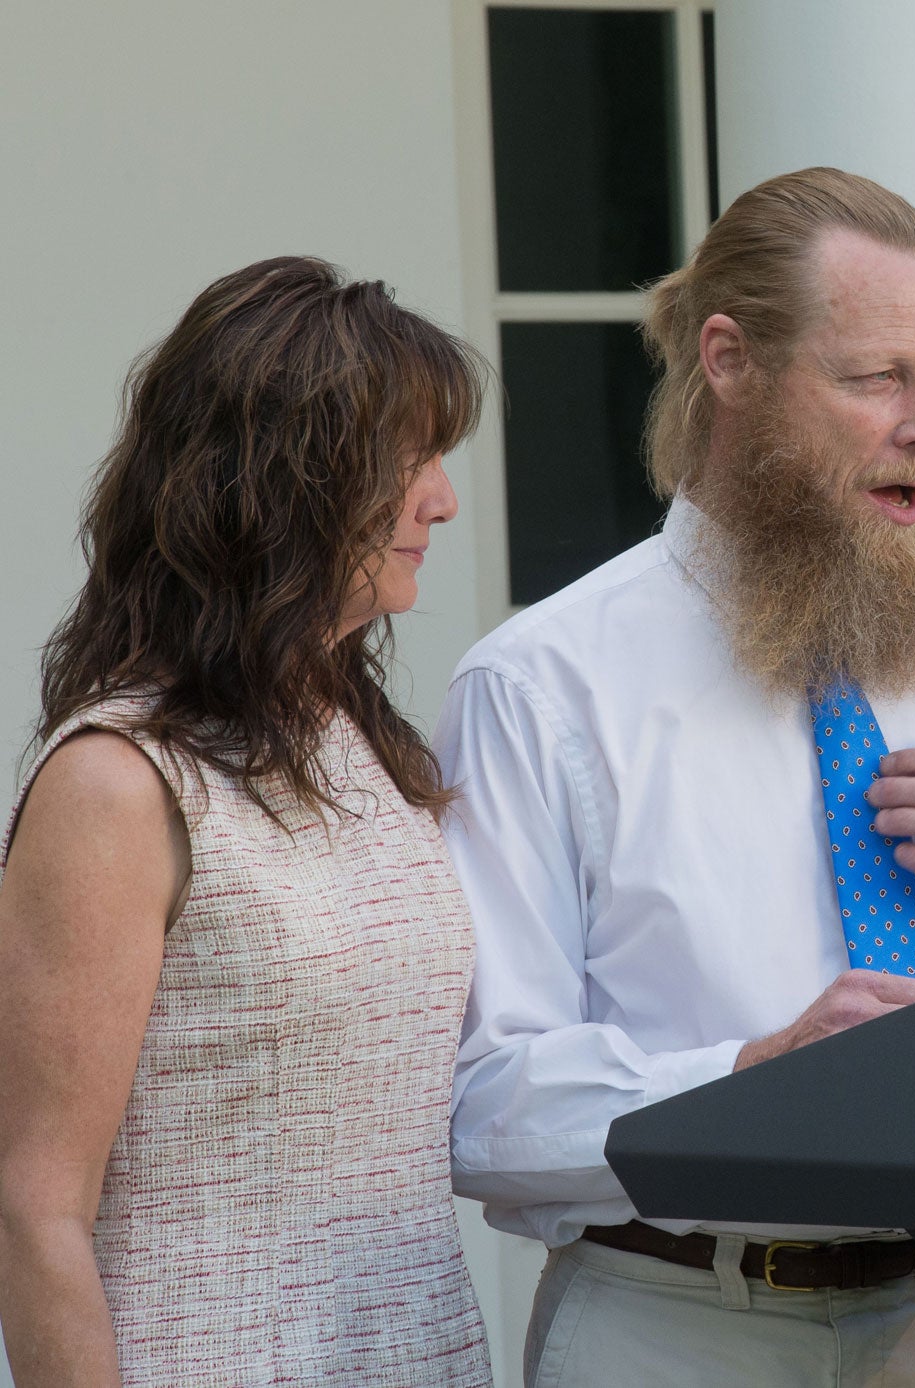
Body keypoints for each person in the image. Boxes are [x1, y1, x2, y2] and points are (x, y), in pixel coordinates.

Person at [435, 166, 915, 1388]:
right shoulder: (542, 689)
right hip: (677, 1325)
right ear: (729, 360)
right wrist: (749, 1080)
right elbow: (484, 1105)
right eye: (877, 379)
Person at [0, 257, 493, 1385]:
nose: (442, 498)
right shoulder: (120, 781)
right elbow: (36, 1207)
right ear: (288, 477)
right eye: (409, 459)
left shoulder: (372, 747)